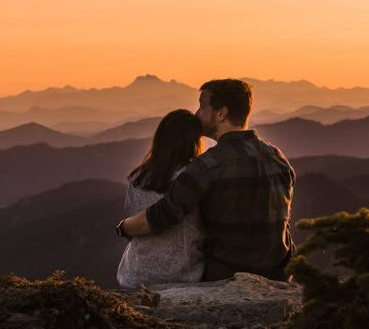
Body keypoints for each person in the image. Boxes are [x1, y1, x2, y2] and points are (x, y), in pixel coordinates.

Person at [118, 79, 296, 281]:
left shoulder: (207, 166)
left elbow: (163, 215)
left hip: (228, 276)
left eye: (202, 106)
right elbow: (283, 222)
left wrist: (123, 227)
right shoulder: (278, 158)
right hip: (278, 273)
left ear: (221, 114)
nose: (196, 114)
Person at [116, 109, 206, 287]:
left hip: (135, 274)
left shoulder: (139, 177)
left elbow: (137, 224)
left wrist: (123, 227)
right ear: (194, 141)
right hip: (182, 276)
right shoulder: (194, 178)